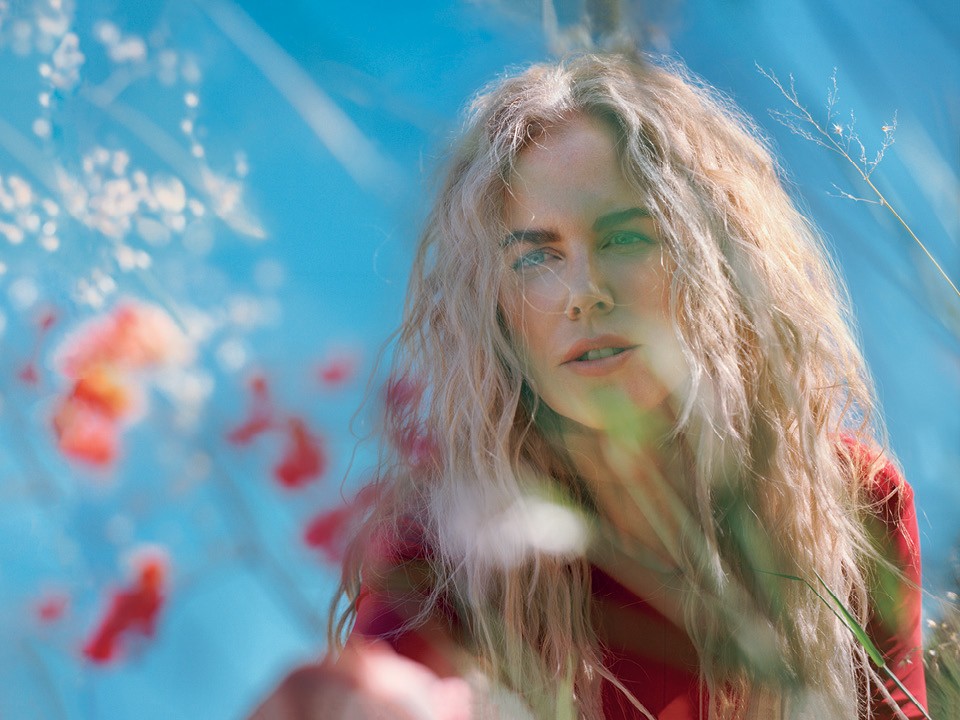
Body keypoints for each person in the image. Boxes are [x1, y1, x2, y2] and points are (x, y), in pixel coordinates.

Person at [249, 52, 926, 720]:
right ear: (494, 310)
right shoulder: (446, 569)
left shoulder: (849, 503)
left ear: (719, 263)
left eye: (625, 238)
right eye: (537, 256)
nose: (584, 291)